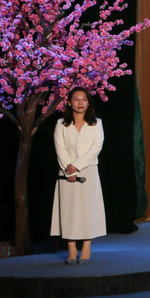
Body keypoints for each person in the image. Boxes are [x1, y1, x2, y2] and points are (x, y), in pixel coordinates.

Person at [53, 88, 106, 264]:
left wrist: (77, 166)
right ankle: (71, 248)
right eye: (76, 99)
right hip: (66, 171)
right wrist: (69, 169)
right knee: (68, 209)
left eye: (84, 99)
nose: (80, 102)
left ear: (88, 102)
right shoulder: (61, 124)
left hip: (88, 170)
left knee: (87, 209)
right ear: (69, 102)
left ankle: (86, 247)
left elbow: (96, 147)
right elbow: (59, 148)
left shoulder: (96, 123)